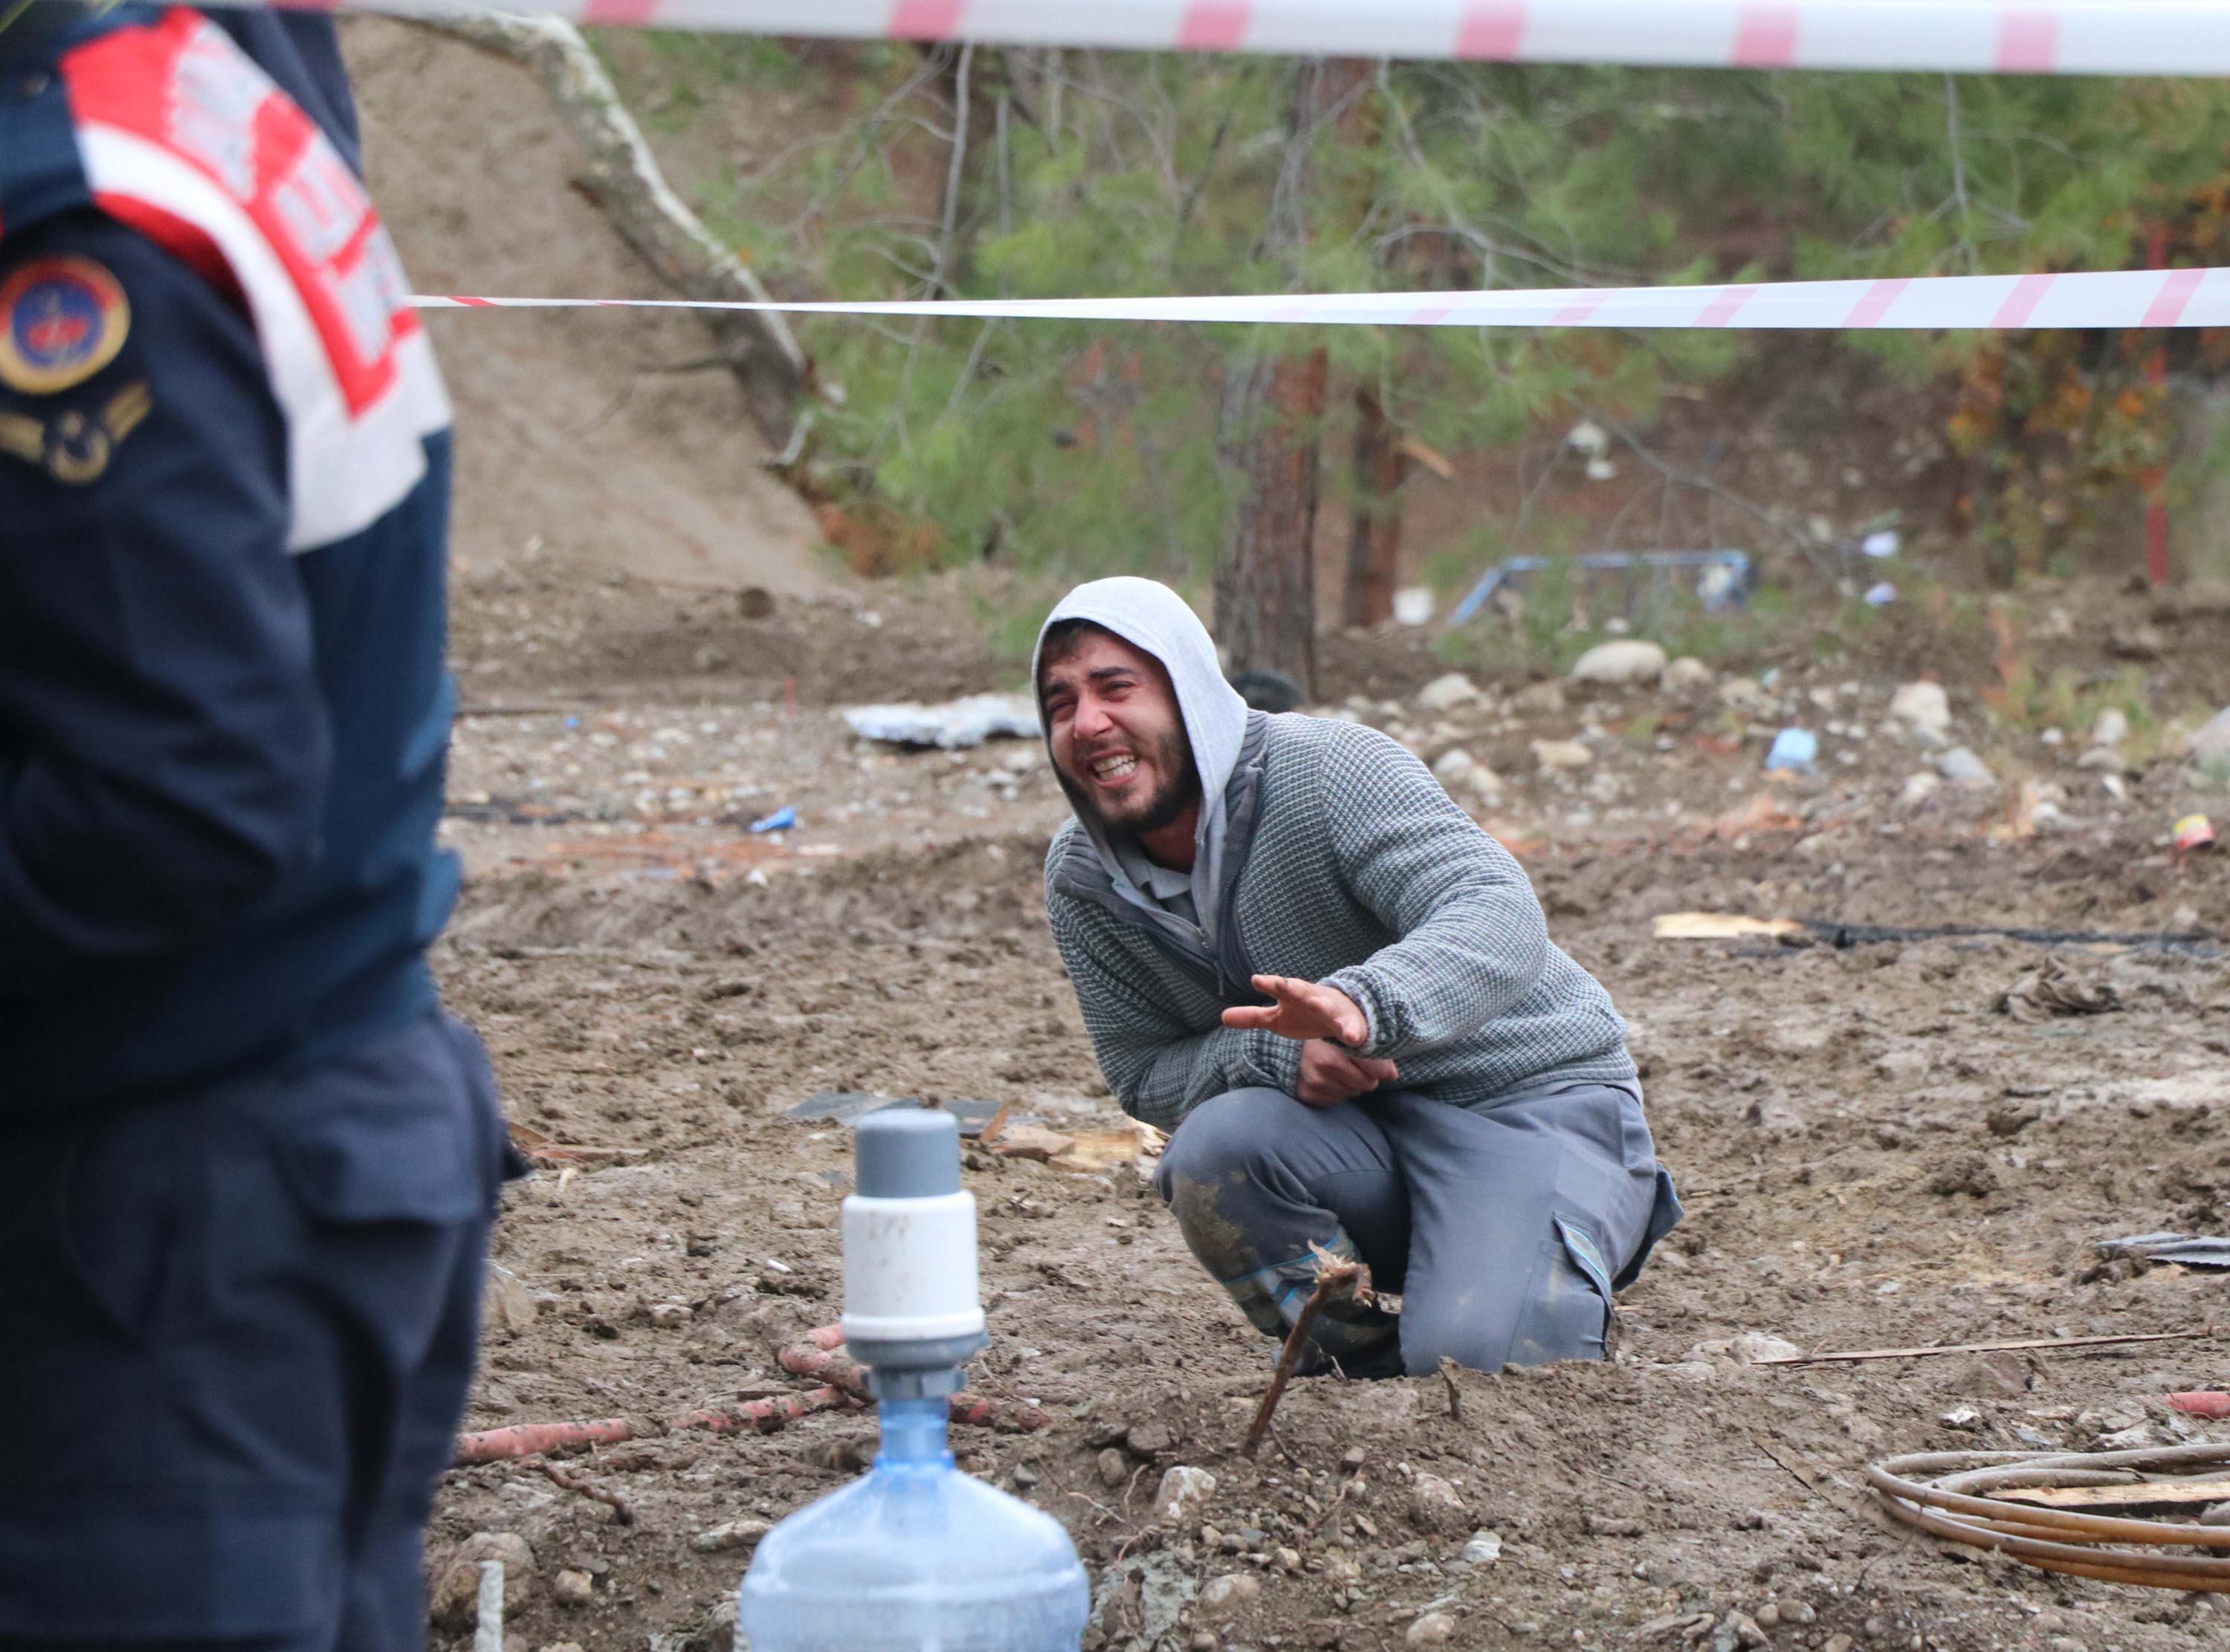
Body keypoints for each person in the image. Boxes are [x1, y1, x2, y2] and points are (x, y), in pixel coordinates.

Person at [0, 5, 513, 1645]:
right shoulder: (215, 109)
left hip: (173, 1200)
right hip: (306, 1132)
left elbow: (182, 783)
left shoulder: (80, 222)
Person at [1036, 577, 1680, 1379]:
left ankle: (1543, 1249)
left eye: (1116, 687)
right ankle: (1364, 1375)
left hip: (1524, 1105)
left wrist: (1360, 1005)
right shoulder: (1082, 880)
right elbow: (1140, 1070)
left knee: (1485, 1369)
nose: (1089, 722)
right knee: (1214, 1150)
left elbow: (1496, 909)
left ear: (1189, 689)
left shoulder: (1325, 772)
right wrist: (1282, 1061)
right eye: (1061, 704)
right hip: (1358, 1143)